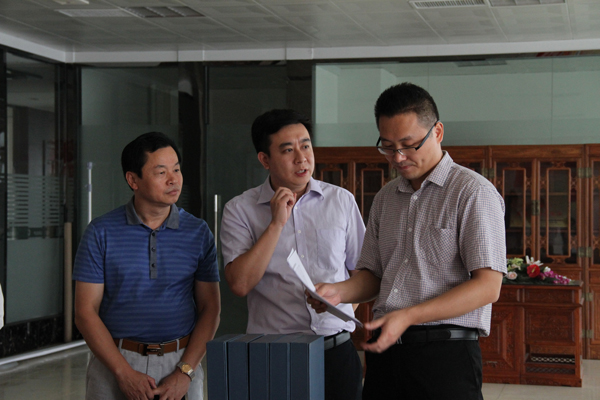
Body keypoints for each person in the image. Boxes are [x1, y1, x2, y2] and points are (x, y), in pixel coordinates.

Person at [308, 82, 507, 400]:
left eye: (409, 145)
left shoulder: (472, 192)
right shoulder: (386, 197)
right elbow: (373, 276)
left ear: (437, 132)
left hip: (444, 357)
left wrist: (408, 316)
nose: (398, 157)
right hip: (385, 355)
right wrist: (338, 292)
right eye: (388, 146)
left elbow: (487, 287)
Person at [220, 109, 365, 400]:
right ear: (265, 160)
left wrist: (340, 300)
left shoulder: (341, 200)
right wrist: (276, 224)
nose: (302, 158)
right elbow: (240, 284)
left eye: (306, 146)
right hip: (274, 355)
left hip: (336, 351)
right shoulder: (240, 209)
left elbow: (363, 273)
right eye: (288, 150)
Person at [73, 132, 221, 400]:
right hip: (114, 362)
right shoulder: (101, 232)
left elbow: (210, 308)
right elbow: (85, 311)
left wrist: (185, 372)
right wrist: (123, 373)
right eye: (161, 172)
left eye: (176, 169)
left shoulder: (198, 232)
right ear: (133, 180)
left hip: (181, 362)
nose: (173, 179)